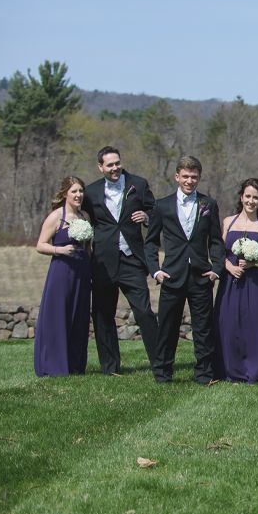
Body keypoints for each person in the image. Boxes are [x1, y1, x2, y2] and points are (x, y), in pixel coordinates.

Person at [145, 156, 225, 384]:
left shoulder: (208, 204)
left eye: (194, 177)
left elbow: (216, 241)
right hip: (172, 275)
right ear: (177, 177)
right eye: (186, 176)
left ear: (199, 178)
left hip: (201, 276)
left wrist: (216, 269)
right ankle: (162, 373)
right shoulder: (162, 205)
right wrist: (156, 271)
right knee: (167, 328)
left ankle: (204, 374)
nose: (190, 181)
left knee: (203, 329)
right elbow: (150, 242)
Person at [83, 146, 160, 375]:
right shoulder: (91, 192)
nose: (115, 168)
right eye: (110, 165)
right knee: (102, 314)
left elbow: (156, 211)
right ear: (100, 167)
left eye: (117, 163)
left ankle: (160, 364)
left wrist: (146, 217)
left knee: (144, 312)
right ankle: (110, 367)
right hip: (103, 263)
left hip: (132, 260)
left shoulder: (139, 184)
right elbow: (78, 213)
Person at [214, 178, 258, 383]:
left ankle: (257, 368)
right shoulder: (228, 221)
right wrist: (229, 267)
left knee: (255, 324)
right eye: (248, 196)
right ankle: (229, 369)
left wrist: (254, 262)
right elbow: (218, 252)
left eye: (256, 197)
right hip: (231, 282)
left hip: (256, 282)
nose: (251, 201)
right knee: (229, 324)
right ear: (241, 197)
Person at [33, 176, 92, 377]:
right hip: (61, 272)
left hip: (81, 273)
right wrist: (59, 250)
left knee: (79, 316)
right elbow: (40, 245)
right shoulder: (56, 216)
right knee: (59, 315)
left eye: (81, 191)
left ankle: (75, 364)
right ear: (65, 193)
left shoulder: (84, 216)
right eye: (74, 191)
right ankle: (54, 365)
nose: (78, 195)